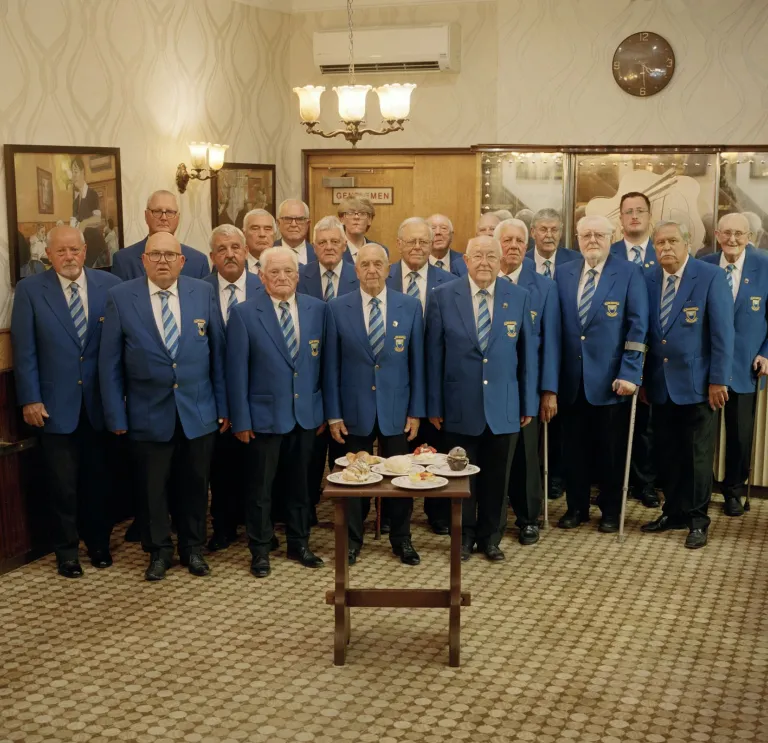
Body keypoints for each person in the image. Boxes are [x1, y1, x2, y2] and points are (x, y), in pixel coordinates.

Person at [99, 232, 227, 580]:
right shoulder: (121, 298)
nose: (163, 260)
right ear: (143, 260)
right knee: (151, 488)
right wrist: (115, 413)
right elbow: (109, 363)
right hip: (146, 413)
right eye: (155, 254)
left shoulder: (203, 292)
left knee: (195, 486)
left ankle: (193, 549)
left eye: (170, 255)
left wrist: (223, 406)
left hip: (198, 411)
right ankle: (158, 552)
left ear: (182, 261)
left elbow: (218, 355)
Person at [11, 226, 121, 578]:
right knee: (62, 484)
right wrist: (30, 398)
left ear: (85, 250)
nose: (69, 257)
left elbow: (119, 347)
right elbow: (24, 349)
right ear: (49, 255)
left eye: (74, 250)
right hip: (54, 405)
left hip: (100, 404)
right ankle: (67, 552)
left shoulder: (109, 286)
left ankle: (99, 545)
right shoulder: (30, 290)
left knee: (99, 480)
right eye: (61, 252)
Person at [426, 236, 538, 562]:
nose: (485, 262)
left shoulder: (519, 297)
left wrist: (527, 402)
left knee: (496, 478)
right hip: (458, 405)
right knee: (461, 478)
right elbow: (433, 356)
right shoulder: (443, 297)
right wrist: (434, 404)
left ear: (501, 261)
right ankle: (463, 538)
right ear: (465, 260)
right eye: (478, 256)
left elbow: (527, 356)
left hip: (504, 406)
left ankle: (491, 538)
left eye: (492, 256)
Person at [226, 247, 326, 578]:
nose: (282, 278)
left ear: (298, 276)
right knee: (260, 489)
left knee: (301, 487)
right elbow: (236, 371)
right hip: (262, 417)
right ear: (262, 277)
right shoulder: (243, 313)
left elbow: (322, 365)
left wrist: (322, 410)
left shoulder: (317, 309)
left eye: (288, 272)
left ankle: (300, 544)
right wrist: (240, 419)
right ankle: (260, 549)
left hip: (305, 415)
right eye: (275, 273)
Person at [324, 243, 426, 566]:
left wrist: (416, 411)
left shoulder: (409, 306)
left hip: (397, 409)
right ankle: (352, 542)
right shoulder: (337, 308)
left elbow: (418, 365)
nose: (371, 270)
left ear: (388, 269)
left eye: (377, 264)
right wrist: (333, 414)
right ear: (355, 271)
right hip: (354, 412)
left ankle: (402, 540)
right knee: (354, 478)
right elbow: (331, 367)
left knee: (401, 479)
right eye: (364, 264)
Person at [641, 221, 734, 549]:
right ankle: (674, 512)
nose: (665, 247)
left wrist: (719, 379)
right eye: (659, 243)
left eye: (672, 241)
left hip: (698, 385)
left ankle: (697, 520)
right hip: (660, 385)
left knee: (696, 456)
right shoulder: (648, 278)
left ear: (687, 243)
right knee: (668, 454)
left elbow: (723, 333)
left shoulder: (710, 277)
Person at [554, 215, 649, 532]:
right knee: (573, 450)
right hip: (571, 380)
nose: (592, 240)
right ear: (577, 238)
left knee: (611, 451)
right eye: (586, 235)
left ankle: (610, 511)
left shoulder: (628, 272)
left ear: (612, 238)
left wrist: (631, 372)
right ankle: (576, 508)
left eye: (599, 235)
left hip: (612, 381)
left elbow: (638, 326)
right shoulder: (564, 272)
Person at [386, 216, 458, 534]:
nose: (418, 247)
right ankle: (391, 515)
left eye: (424, 242)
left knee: (437, 450)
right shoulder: (381, 276)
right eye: (411, 241)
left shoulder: (451, 280)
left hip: (440, 378)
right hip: (396, 380)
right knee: (398, 451)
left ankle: (438, 513)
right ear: (398, 243)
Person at [496, 219, 561, 546]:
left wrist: (548, 390)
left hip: (526, 386)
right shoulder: (480, 280)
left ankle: (527, 519)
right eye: (507, 240)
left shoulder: (544, 287)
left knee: (525, 456)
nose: (513, 246)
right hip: (490, 386)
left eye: (520, 240)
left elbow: (551, 344)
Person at [701, 213, 768, 516]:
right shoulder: (703, 264)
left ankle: (732, 491)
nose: (732, 240)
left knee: (740, 436)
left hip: (746, 365)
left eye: (739, 234)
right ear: (716, 234)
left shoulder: (765, 264)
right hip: (706, 366)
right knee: (701, 435)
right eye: (726, 233)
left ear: (749, 236)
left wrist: (767, 352)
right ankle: (699, 492)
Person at [203, 225, 264, 551]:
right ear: (212, 256)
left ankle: (259, 526)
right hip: (213, 395)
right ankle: (223, 527)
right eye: (222, 249)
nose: (230, 254)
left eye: (235, 247)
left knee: (257, 467)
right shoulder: (197, 290)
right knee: (220, 467)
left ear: (246, 252)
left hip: (258, 394)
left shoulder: (263, 286)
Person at [297, 216, 360, 515]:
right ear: (313, 246)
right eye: (322, 242)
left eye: (335, 241)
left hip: (346, 379)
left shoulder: (359, 274)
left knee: (343, 454)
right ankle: (306, 508)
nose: (329, 247)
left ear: (346, 245)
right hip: (306, 377)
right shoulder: (298, 274)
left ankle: (344, 514)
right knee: (308, 453)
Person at [609, 191, 659, 508]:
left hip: (656, 354)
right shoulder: (607, 252)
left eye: (640, 211)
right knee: (615, 425)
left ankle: (646, 483)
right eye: (628, 212)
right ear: (621, 218)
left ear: (649, 216)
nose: (634, 216)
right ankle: (612, 483)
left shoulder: (665, 251)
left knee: (649, 426)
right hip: (617, 356)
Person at [527, 208, 581, 500]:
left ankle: (557, 476)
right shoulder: (521, 263)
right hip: (534, 352)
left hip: (569, 352)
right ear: (533, 231)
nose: (549, 235)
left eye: (555, 230)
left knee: (563, 422)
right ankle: (534, 476)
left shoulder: (575, 260)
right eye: (543, 229)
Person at [112, 190, 209, 280]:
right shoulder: (123, 260)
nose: (163, 217)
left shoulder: (199, 262)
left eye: (170, 212)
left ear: (178, 218)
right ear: (146, 216)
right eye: (157, 211)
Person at [274, 199, 316, 264]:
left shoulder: (318, 254)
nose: (293, 224)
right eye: (288, 219)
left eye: (299, 219)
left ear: (308, 224)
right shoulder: (267, 252)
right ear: (278, 223)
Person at [242, 208, 276, 276]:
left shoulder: (288, 264)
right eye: (255, 228)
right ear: (244, 233)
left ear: (275, 234)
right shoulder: (234, 265)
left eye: (267, 229)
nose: (262, 234)